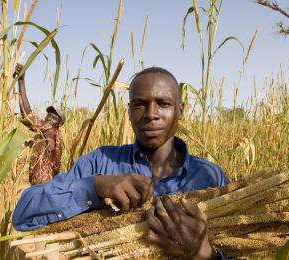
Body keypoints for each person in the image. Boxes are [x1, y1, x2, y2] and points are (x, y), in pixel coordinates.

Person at [12, 67, 230, 259]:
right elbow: (24, 214)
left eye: (163, 104)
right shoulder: (100, 162)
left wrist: (205, 255)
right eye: (139, 105)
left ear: (180, 110)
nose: (151, 115)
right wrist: (94, 186)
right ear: (128, 111)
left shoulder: (210, 178)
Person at [14, 63, 65, 185]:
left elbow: (27, 114)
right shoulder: (56, 137)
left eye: (54, 118)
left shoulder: (49, 130)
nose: (49, 119)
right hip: (47, 183)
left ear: (59, 124)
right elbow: (56, 168)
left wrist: (21, 81)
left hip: (42, 185)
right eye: (49, 115)